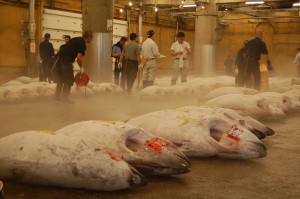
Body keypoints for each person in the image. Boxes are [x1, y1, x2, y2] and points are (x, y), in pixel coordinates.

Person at [54, 30, 93, 102]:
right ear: (89, 37)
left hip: (58, 60)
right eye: (91, 38)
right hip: (66, 61)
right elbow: (79, 58)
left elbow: (63, 48)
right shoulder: (82, 44)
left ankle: (57, 97)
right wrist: (81, 68)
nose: (91, 40)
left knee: (61, 79)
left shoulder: (75, 39)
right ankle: (64, 98)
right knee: (69, 80)